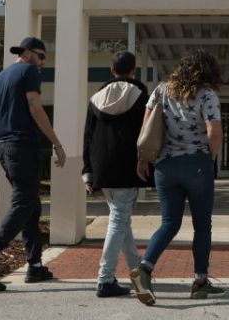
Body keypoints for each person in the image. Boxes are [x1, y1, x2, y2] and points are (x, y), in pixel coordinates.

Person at [0, 37, 66, 291]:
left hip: (5, 147)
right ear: (28, 53)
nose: (43, 62)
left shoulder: (0, 77)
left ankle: (35, 266)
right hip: (23, 147)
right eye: (42, 56)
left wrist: (4, 142)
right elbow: (35, 107)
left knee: (31, 206)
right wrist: (56, 143)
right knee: (24, 203)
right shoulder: (29, 71)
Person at [130, 49, 225, 305]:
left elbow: (146, 128)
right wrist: (211, 156)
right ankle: (200, 281)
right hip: (196, 164)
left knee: (169, 223)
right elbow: (214, 130)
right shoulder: (206, 94)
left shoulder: (161, 90)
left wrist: (142, 159)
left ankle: (145, 268)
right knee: (202, 226)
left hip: (165, 166)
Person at [81, 50, 149, 298]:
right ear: (133, 71)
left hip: (101, 167)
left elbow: (87, 136)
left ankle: (137, 270)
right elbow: (148, 132)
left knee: (121, 221)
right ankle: (105, 278)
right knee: (119, 220)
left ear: (112, 70)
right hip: (127, 166)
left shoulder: (95, 98)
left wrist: (87, 171)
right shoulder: (141, 95)